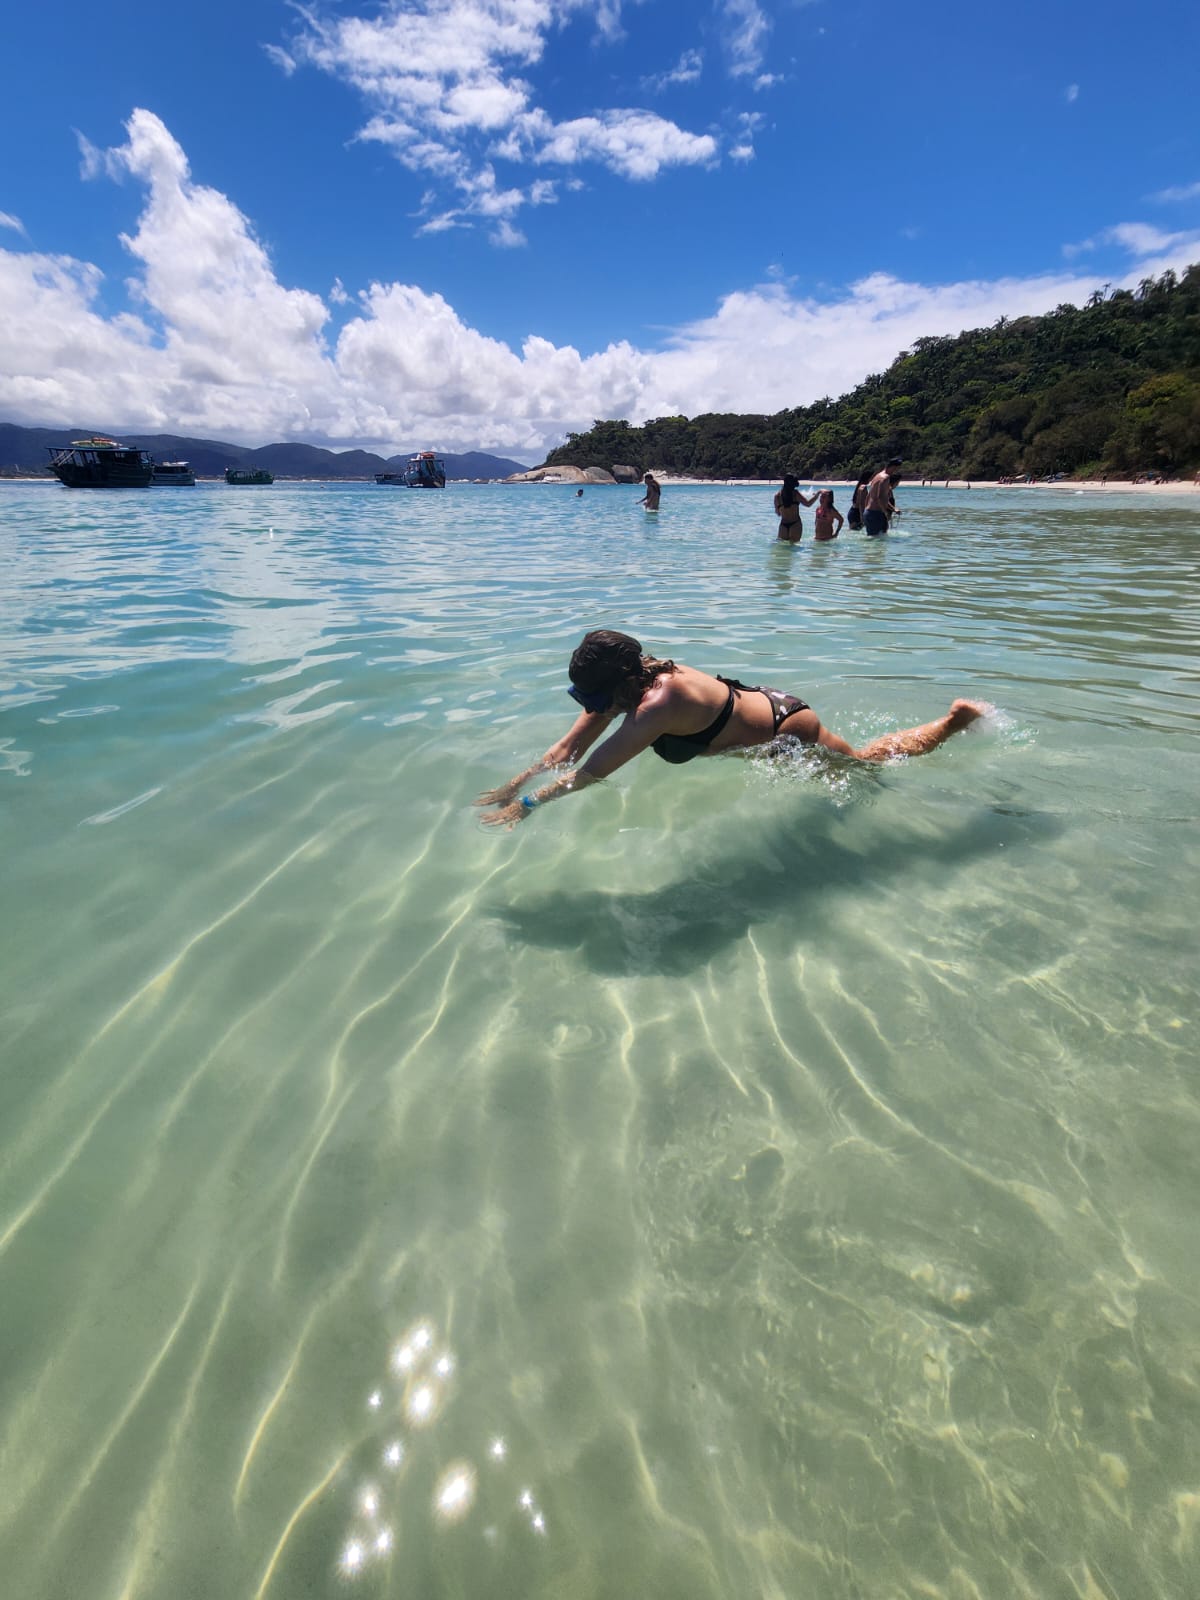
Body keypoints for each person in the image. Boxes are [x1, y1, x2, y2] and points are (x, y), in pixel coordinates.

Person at [476, 630, 987, 827]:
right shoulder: (633, 678)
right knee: (861, 770)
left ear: (622, 682)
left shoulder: (655, 706)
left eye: (595, 698)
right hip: (765, 708)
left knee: (868, 771)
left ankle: (952, 722)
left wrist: (528, 808)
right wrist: (516, 782)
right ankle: (951, 722)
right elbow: (570, 746)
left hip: (789, 729)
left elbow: (591, 772)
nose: (591, 708)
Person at [864, 457, 902, 536]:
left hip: (870, 513)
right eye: (897, 469)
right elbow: (879, 497)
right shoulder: (885, 478)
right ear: (893, 467)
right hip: (876, 514)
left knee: (877, 542)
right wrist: (885, 513)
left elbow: (870, 496)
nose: (896, 471)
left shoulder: (877, 476)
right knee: (877, 542)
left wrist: (893, 508)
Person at [774, 473, 817, 541]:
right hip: (795, 524)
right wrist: (817, 495)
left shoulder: (777, 496)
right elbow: (808, 504)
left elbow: (778, 513)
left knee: (782, 547)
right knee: (793, 547)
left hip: (783, 525)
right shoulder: (795, 493)